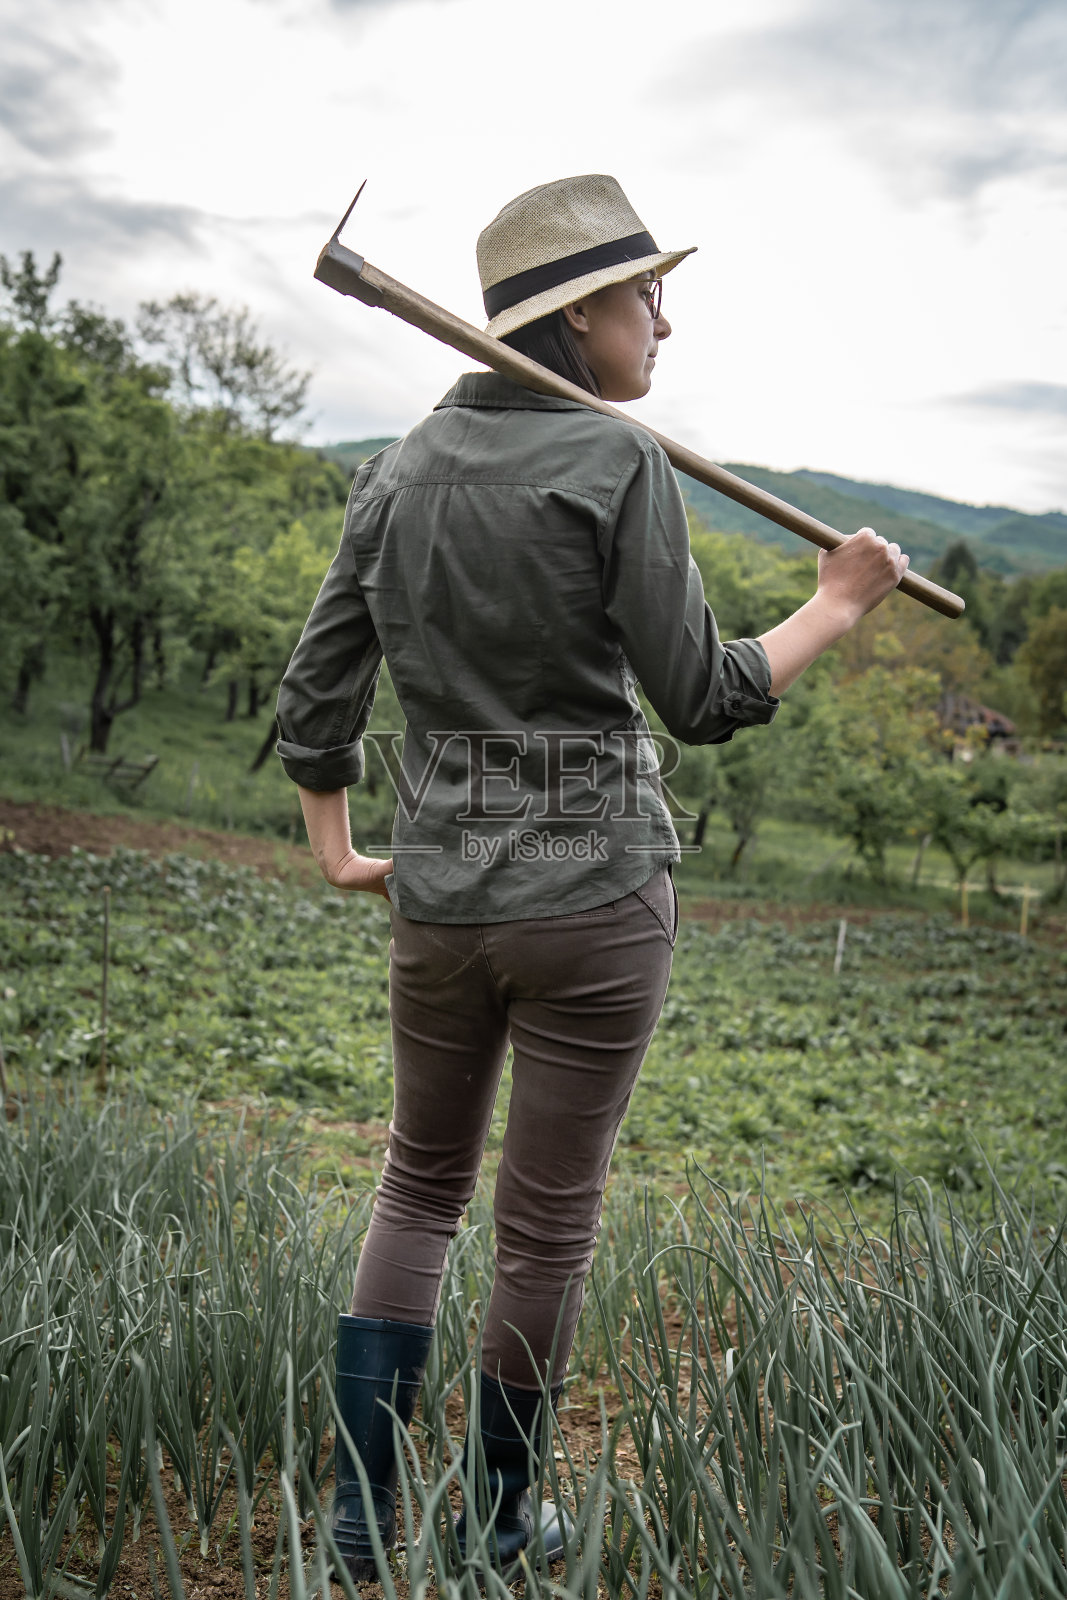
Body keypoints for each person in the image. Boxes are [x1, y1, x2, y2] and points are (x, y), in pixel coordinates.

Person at [275, 173, 908, 1579]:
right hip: (596, 900)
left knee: (416, 1193)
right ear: (577, 319)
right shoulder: (618, 463)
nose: (665, 323)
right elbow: (704, 696)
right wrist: (836, 604)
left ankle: (359, 1523)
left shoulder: (390, 473)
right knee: (542, 1233)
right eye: (645, 294)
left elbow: (316, 690)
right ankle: (501, 1525)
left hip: (437, 900)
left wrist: (338, 851)